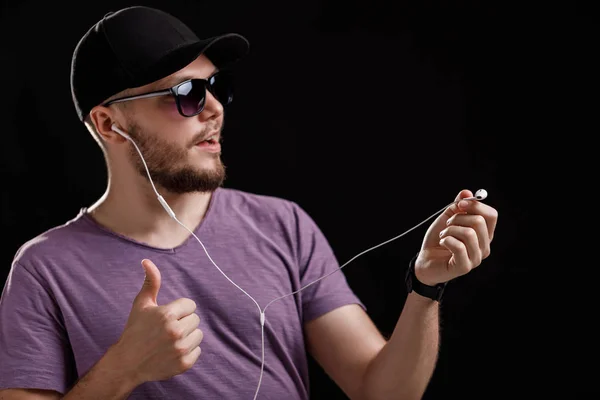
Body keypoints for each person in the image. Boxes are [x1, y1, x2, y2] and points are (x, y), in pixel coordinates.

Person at [0, 6, 498, 400]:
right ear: (111, 125)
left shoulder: (283, 225)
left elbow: (381, 390)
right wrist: (120, 372)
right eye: (185, 93)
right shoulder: (45, 268)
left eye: (217, 87)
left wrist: (426, 287)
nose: (214, 108)